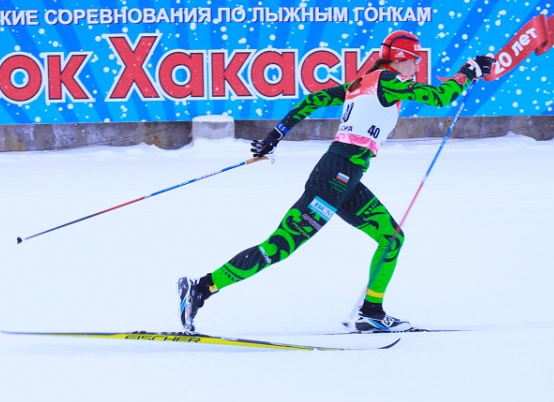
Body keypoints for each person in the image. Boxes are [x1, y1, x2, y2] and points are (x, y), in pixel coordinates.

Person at [177, 32, 496, 333]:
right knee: (279, 247)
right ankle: (201, 288)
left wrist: (276, 135)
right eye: (414, 60)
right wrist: (468, 72)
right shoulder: (387, 80)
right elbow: (440, 97)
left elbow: (313, 100)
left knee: (391, 238)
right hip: (334, 176)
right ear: (399, 59)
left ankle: (371, 313)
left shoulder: (363, 83)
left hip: (347, 176)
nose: (416, 67)